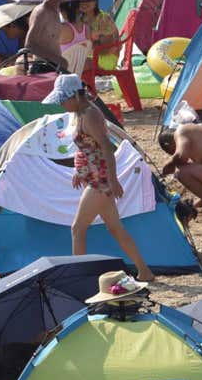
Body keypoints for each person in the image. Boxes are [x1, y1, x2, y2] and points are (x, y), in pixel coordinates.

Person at [48, 75, 155, 281]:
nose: (61, 104)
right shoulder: (80, 113)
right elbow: (89, 147)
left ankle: (79, 278)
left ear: (75, 96)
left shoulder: (89, 115)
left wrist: (113, 180)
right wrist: (80, 171)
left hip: (100, 180)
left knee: (78, 229)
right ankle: (144, 271)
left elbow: (107, 146)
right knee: (115, 228)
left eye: (63, 99)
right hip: (96, 177)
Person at [25, 0, 69, 73]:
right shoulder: (41, 12)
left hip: (53, 66)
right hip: (43, 67)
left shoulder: (55, 11)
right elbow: (29, 44)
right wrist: (58, 59)